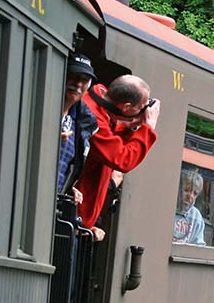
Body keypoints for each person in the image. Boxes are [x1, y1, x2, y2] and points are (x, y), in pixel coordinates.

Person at [74, 73, 159, 237]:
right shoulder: (92, 116)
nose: (143, 111)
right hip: (74, 218)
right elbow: (122, 159)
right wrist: (147, 129)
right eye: (141, 107)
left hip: (83, 222)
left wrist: (133, 125)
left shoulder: (101, 101)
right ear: (126, 107)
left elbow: (113, 139)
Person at [55, 54, 96, 201]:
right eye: (74, 76)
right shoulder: (44, 106)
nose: (78, 84)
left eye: (84, 80)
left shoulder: (82, 122)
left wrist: (67, 187)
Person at [173, 170, 207, 244]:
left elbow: (199, 246)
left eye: (195, 193)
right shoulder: (167, 208)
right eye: (186, 190)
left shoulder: (196, 217)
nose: (190, 196)